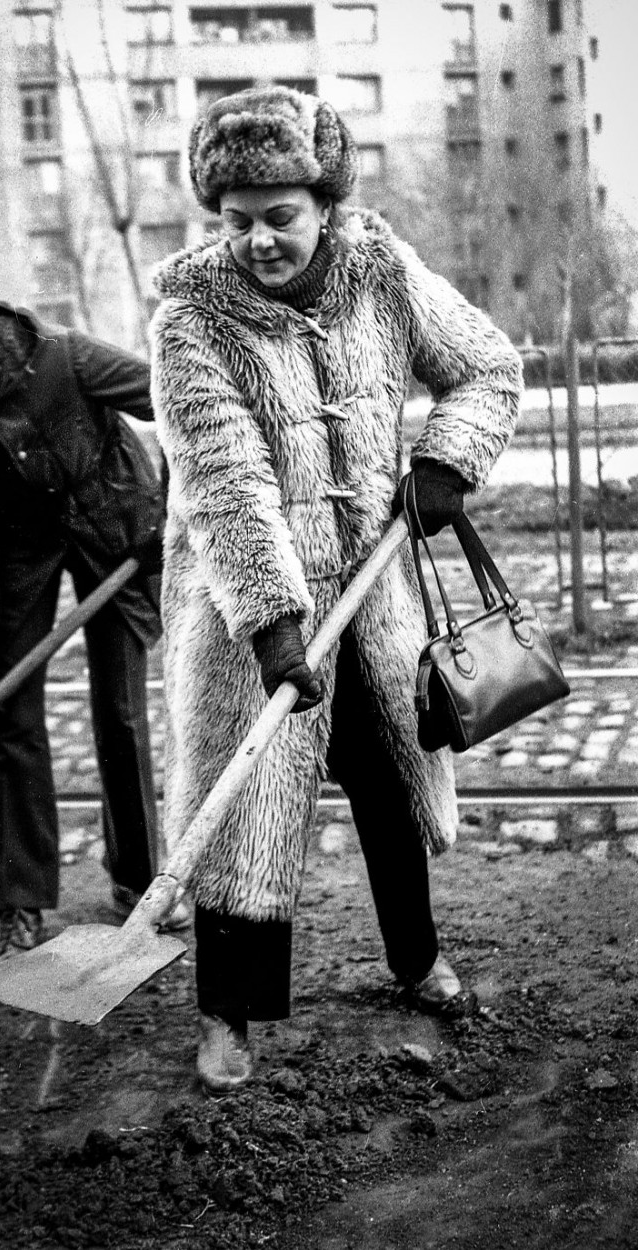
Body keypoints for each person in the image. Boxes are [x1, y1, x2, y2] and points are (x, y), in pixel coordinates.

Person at [149, 87, 522, 1093]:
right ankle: (228, 1016)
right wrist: (272, 622)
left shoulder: (380, 273)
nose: (260, 239)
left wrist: (443, 460)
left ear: (321, 203)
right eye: (237, 222)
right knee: (243, 811)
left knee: (389, 782)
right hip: (245, 614)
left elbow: (485, 366)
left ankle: (414, 957)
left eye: (281, 216)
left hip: (373, 598)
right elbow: (226, 479)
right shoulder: (191, 321)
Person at [0, 300, 189, 959]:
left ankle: (140, 882)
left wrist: (172, 511)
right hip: (21, 545)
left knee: (121, 713)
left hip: (118, 534)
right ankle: (21, 903)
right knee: (10, 716)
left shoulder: (63, 357)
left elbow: (185, 403)